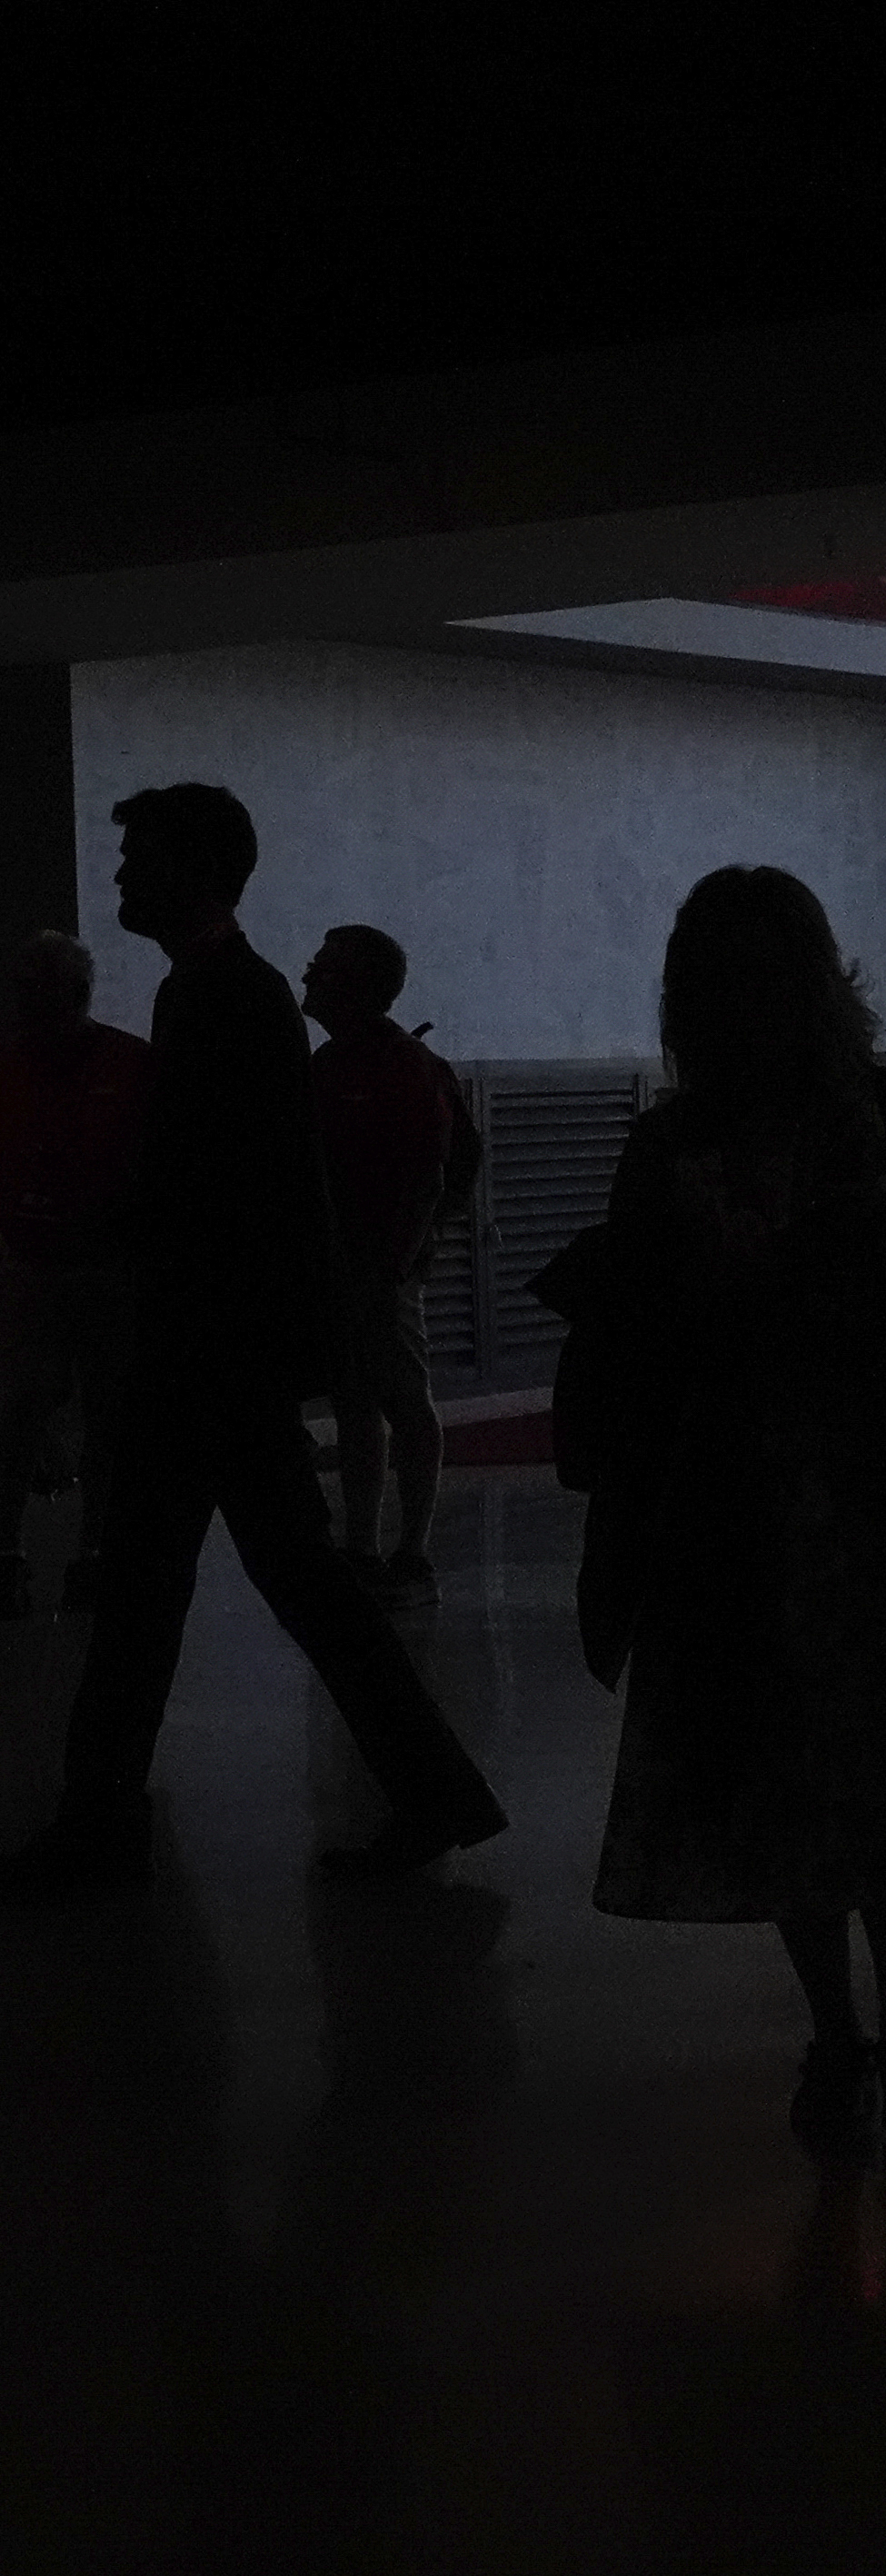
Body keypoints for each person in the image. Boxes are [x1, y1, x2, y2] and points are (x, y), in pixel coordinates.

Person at [1, 785, 505, 1892]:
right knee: (269, 1583)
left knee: (161, 1591)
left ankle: (103, 1822)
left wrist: (88, 1235)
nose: (122, 875)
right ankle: (432, 1794)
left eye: (137, 857)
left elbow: (207, 1185)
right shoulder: (232, 994)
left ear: (191, 868)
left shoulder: (218, 999)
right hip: (222, 1354)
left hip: (203, 1354)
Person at [572, 869, 886, 2144]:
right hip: (798, 1484)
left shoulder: (686, 1140)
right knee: (832, 1751)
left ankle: (868, 2029)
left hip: (805, 1481)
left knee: (842, 1752)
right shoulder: (865, 1116)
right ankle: (868, 2025)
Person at [302, 924, 473, 1609]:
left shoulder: (403, 1066)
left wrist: (394, 1269)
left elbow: (427, 1178)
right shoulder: (326, 1065)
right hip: (346, 1270)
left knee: (402, 1400)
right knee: (354, 1404)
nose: (309, 971)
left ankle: (412, 1550)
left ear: (358, 984)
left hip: (381, 1270)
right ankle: (364, 1546)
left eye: (325, 964)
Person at [0, 930, 147, 1621]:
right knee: (35, 1413)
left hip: (100, 1269)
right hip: (43, 1266)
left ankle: (72, 1552)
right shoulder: (122, 1062)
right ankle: (77, 1554)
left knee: (90, 1417)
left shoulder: (128, 1065)